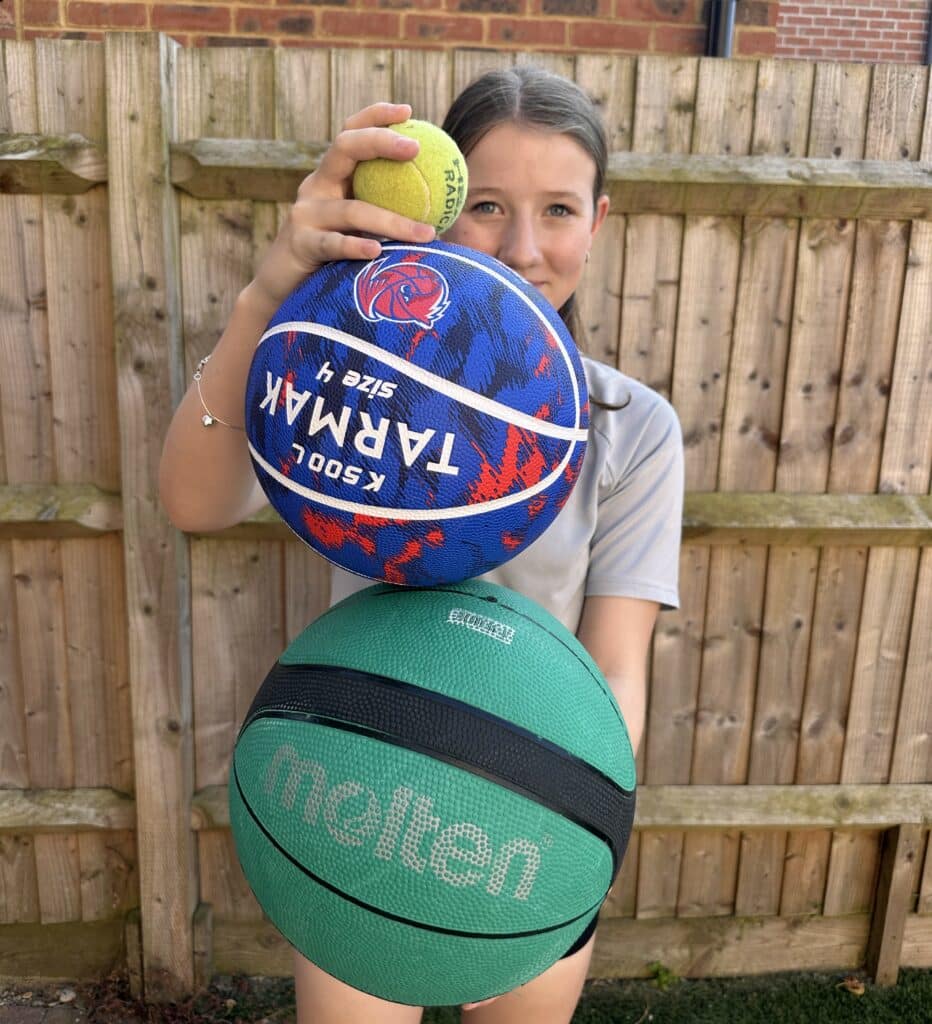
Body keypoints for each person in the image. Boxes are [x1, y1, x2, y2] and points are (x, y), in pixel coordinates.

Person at [160, 66, 683, 1024]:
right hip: (363, 794)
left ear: (598, 223)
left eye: (559, 209)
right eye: (486, 205)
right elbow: (193, 501)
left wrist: (570, 833)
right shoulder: (354, 381)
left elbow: (616, 674)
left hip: (527, 817)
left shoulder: (632, 427)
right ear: (434, 213)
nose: (525, 247)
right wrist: (272, 288)